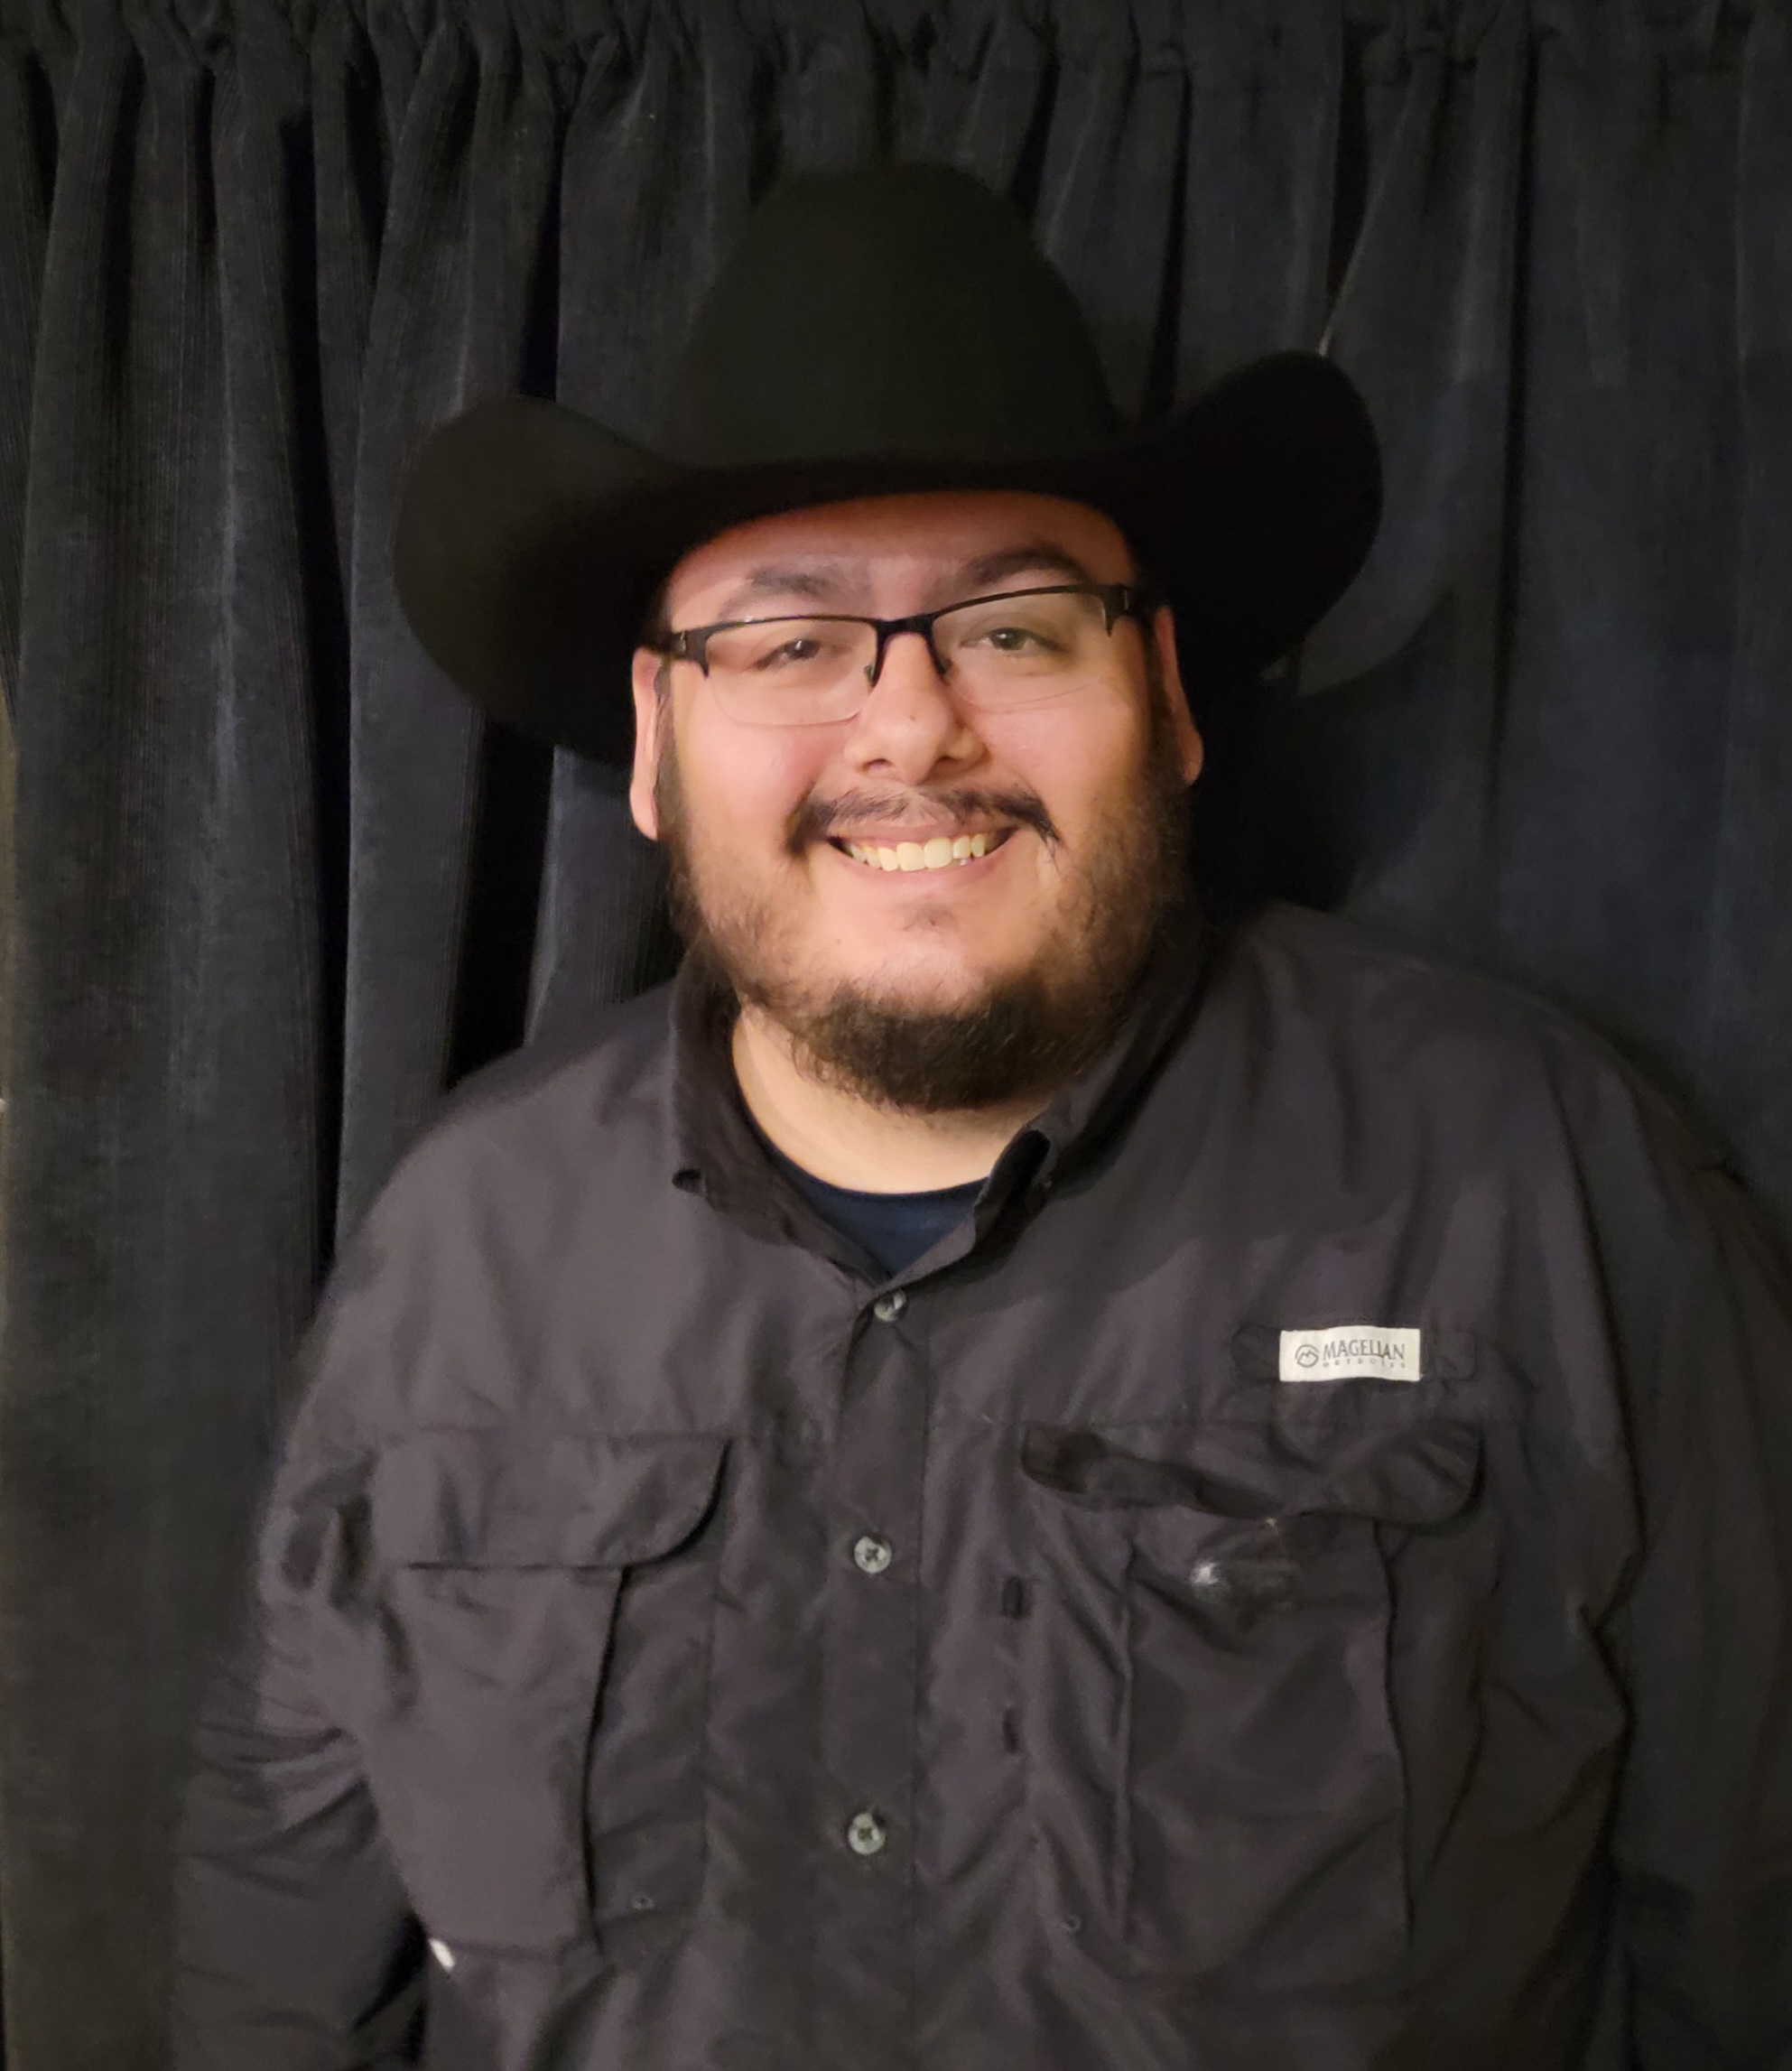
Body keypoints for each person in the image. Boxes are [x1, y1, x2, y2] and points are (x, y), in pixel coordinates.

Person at [172, 165, 1792, 2071]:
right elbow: (282, 1930)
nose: (910, 727)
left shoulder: (1541, 1181)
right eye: (788, 643)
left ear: (1164, 695)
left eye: (1016, 630)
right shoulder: (462, 1236)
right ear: (657, 743)